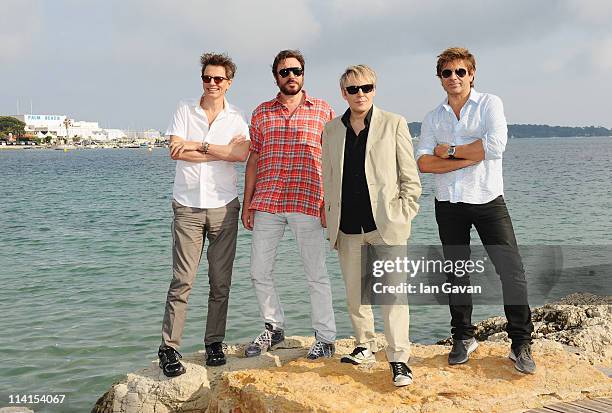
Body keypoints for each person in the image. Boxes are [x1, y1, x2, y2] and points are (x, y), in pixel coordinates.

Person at [416, 47, 536, 374]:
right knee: (456, 273)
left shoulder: (489, 104)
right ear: (440, 78)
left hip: (487, 200)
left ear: (471, 74)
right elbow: (424, 163)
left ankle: (521, 343)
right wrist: (471, 155)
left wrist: (451, 151)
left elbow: (496, 146)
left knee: (511, 271)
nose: (454, 78)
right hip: (449, 204)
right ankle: (463, 337)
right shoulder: (433, 117)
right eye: (447, 73)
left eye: (460, 72)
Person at [321, 65, 421, 386]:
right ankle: (364, 345)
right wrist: (329, 212)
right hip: (347, 227)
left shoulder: (394, 124)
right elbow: (328, 177)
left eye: (366, 87)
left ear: (374, 89)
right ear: (343, 94)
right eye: (353, 89)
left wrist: (403, 213)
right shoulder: (331, 130)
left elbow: (410, 178)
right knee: (356, 295)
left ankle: (399, 360)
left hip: (385, 225)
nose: (360, 94)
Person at [157, 52, 250, 377]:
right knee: (182, 281)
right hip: (187, 207)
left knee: (220, 283)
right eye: (207, 78)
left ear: (229, 83)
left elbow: (240, 154)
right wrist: (220, 151)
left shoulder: (237, 118)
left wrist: (203, 147)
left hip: (225, 207)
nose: (212, 84)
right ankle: (169, 348)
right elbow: (175, 150)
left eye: (218, 79)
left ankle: (214, 343)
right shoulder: (185, 109)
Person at [242, 50, 337, 359]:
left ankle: (325, 337)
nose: (291, 76)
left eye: (296, 70)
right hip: (268, 200)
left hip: (308, 200)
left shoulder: (323, 111)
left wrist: (329, 201)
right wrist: (248, 204)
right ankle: (274, 328)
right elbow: (254, 158)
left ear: (303, 74)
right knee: (259, 270)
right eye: (284, 72)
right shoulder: (260, 113)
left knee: (316, 273)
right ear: (276, 77)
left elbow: (333, 160)